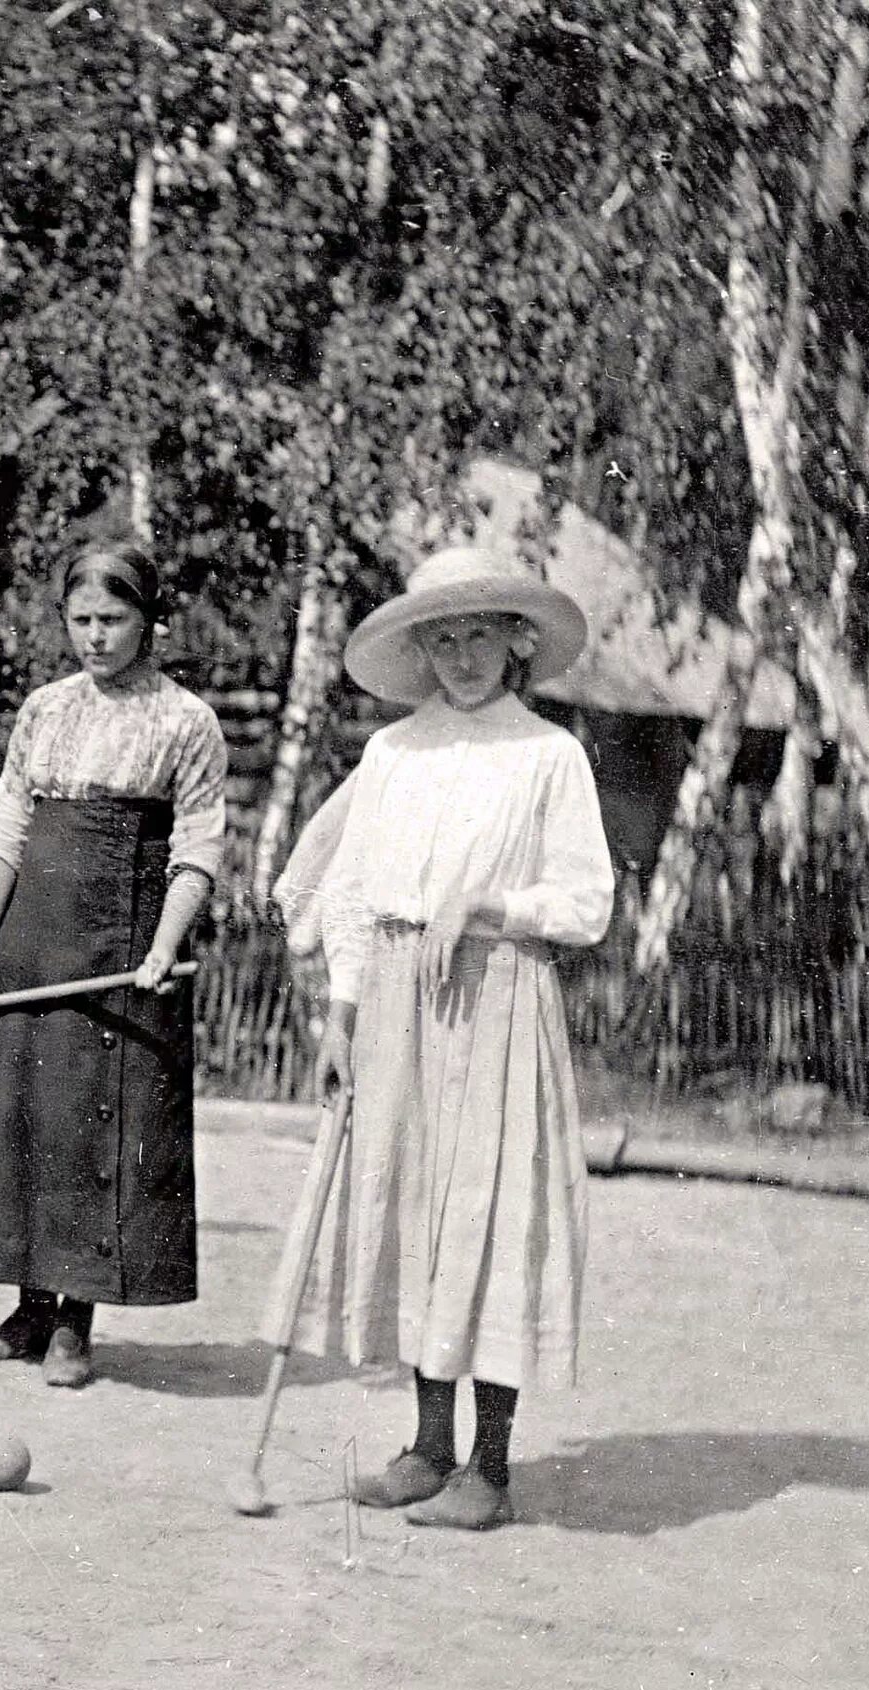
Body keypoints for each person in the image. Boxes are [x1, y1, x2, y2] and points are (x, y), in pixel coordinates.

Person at [270, 543, 615, 1532]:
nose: (464, 655)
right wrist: (340, 1014)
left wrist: (495, 904)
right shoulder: (392, 753)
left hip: (499, 999)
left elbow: (586, 900)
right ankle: (427, 1446)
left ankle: (491, 1469)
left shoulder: (549, 756)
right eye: (445, 636)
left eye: (482, 634)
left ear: (518, 642)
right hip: (394, 1004)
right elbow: (349, 893)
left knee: (492, 1215)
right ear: (422, 648)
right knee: (415, 1208)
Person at [0, 542, 228, 1387]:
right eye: (82, 621)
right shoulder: (45, 709)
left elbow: (199, 846)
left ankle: (75, 1320)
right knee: (25, 1113)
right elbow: (4, 834)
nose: (96, 637)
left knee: (95, 1123)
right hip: (32, 934)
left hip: (124, 942)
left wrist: (164, 946)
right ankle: (29, 1310)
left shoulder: (184, 721)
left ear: (149, 621)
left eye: (115, 620)